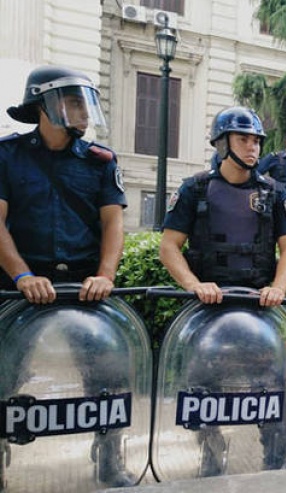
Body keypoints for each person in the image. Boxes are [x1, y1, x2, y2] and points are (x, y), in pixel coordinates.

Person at [0, 65, 130, 486]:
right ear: (45, 105)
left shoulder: (100, 161)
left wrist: (105, 276)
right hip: (18, 283)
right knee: (5, 374)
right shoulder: (6, 155)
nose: (84, 111)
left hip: (83, 284)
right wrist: (22, 276)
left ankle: (109, 458)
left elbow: (113, 223)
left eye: (87, 102)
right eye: (75, 101)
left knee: (106, 379)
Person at [159, 106, 286, 474]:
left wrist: (278, 287)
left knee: (272, 395)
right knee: (203, 394)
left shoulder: (274, 191)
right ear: (222, 143)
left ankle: (275, 463)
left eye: (256, 140)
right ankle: (210, 450)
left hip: (260, 311)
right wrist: (194, 284)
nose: (253, 148)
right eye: (244, 139)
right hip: (209, 312)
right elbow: (169, 246)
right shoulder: (196, 189)